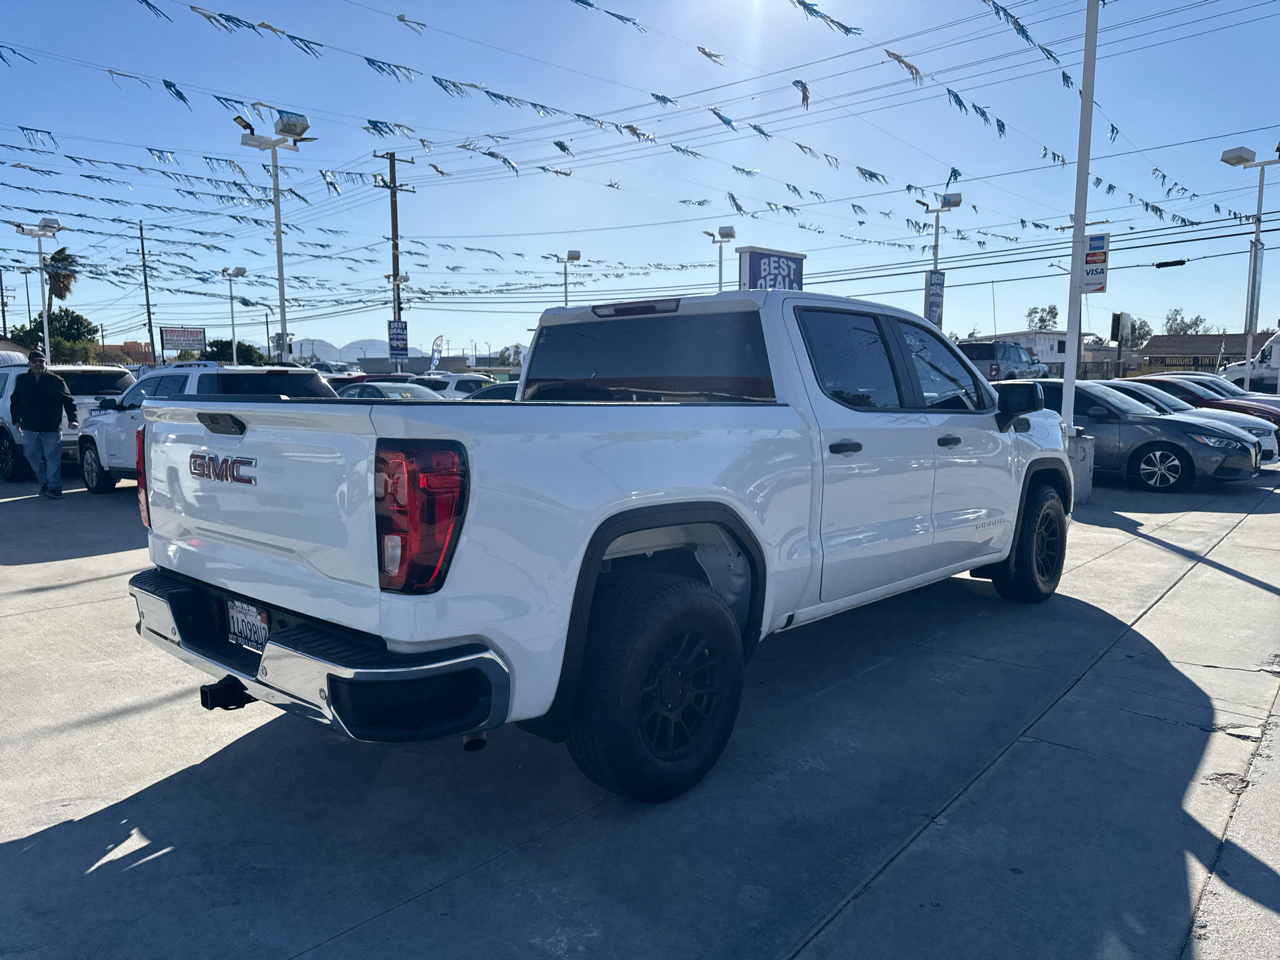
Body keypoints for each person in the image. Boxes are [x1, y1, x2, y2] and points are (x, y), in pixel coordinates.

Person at [9, 350, 78, 499]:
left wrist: (73, 419)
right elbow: (15, 400)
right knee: (30, 455)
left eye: (41, 362)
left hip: (51, 428)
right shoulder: (22, 380)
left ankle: (54, 488)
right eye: (35, 362)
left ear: (46, 363)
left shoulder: (56, 380)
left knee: (52, 458)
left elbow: (69, 400)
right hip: (29, 429)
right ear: (29, 364)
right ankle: (45, 481)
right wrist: (16, 420)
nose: (38, 365)